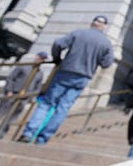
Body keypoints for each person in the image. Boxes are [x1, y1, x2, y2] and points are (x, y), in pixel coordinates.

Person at [20, 15, 115, 145]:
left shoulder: (78, 33)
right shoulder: (106, 43)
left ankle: (28, 133)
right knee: (63, 107)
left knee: (47, 104)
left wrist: (57, 58)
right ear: (104, 26)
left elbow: (58, 43)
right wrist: (95, 59)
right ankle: (43, 138)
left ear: (93, 23)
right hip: (83, 76)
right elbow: (107, 63)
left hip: (65, 72)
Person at [0, 51, 48, 138]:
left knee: (10, 120)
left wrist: (31, 98)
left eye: (43, 59)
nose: (40, 60)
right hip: (12, 94)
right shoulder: (23, 67)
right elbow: (11, 78)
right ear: (36, 56)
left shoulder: (39, 73)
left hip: (24, 99)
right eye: (40, 57)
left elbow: (37, 88)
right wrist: (9, 90)